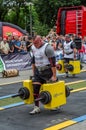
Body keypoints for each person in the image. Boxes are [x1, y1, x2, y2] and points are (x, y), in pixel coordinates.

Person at [30, 35, 58, 115]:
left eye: (36, 43)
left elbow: (53, 63)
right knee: (35, 89)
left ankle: (55, 105)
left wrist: (54, 76)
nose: (34, 45)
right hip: (38, 71)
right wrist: (33, 73)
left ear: (40, 41)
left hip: (48, 71)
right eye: (33, 43)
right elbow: (33, 61)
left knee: (51, 89)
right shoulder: (33, 47)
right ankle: (36, 107)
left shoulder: (48, 48)